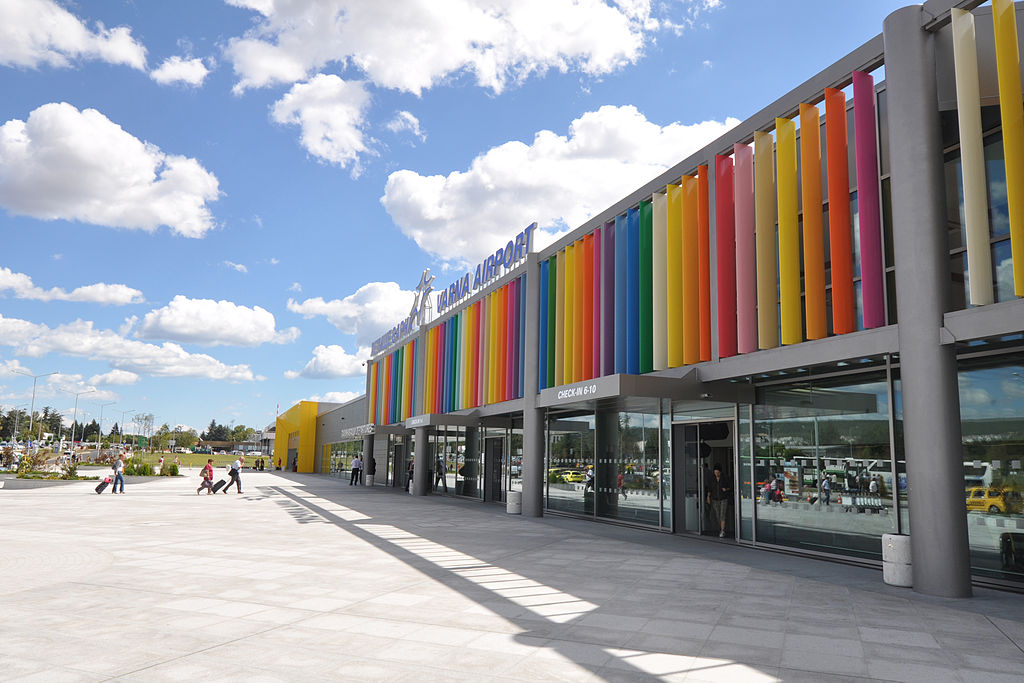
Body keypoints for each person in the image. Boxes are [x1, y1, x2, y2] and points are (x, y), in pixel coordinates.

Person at [706, 464, 730, 538]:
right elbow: (710, 488)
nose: (716, 474)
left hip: (723, 499)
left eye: (717, 472)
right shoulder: (712, 479)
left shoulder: (724, 478)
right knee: (717, 515)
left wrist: (726, 489)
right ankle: (721, 529)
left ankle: (722, 530)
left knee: (722, 515)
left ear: (720, 472)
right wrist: (708, 497)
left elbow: (730, 487)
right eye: (715, 472)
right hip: (715, 499)